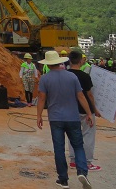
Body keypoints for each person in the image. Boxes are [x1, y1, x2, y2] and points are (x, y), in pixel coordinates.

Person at [37, 50, 94, 189]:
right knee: (78, 146)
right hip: (73, 117)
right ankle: (82, 172)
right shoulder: (71, 76)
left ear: (48, 64)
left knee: (59, 149)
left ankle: (63, 180)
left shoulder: (45, 79)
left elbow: (42, 99)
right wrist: (89, 113)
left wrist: (39, 116)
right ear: (59, 62)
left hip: (55, 119)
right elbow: (81, 96)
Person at [67, 51, 102, 172]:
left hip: (70, 109)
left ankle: (73, 160)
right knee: (88, 135)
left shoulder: (66, 75)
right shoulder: (85, 76)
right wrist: (94, 110)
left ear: (70, 60)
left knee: (73, 134)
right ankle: (87, 162)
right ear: (80, 61)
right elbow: (89, 95)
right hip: (85, 110)